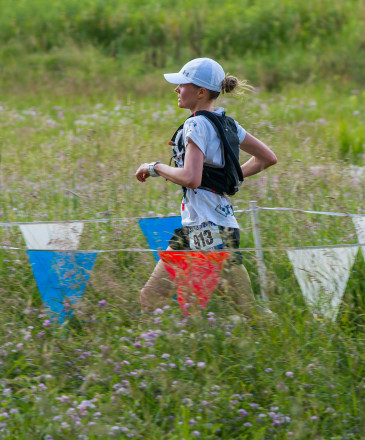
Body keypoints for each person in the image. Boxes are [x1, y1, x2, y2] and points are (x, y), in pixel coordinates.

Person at [135, 58, 277, 314]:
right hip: (210, 227)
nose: (176, 89)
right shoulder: (228, 124)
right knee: (153, 299)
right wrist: (227, 180)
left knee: (156, 300)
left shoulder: (196, 124)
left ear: (201, 92)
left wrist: (154, 167)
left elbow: (191, 178)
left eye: (182, 84)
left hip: (206, 229)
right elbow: (268, 158)